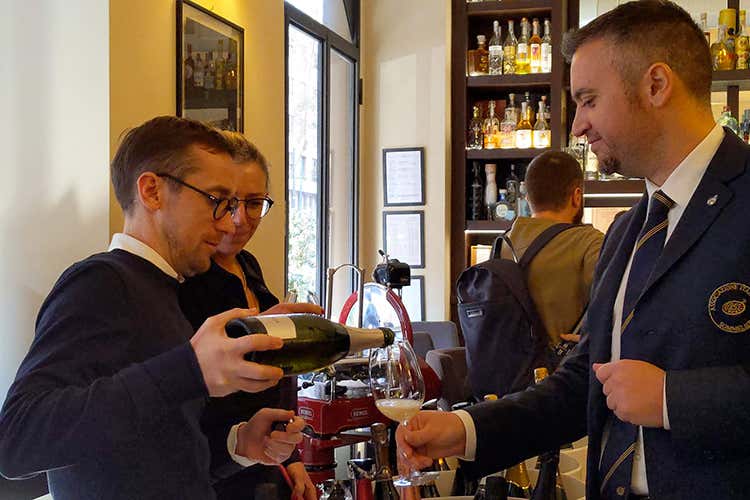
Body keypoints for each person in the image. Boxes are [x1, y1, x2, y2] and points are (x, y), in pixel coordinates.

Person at [397, 2, 750, 499]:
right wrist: (467, 429)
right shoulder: (628, 231)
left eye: (588, 99)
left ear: (656, 85)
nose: (578, 125)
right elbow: (584, 382)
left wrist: (675, 400)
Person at [0, 116, 306, 499]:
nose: (230, 223)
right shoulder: (101, 282)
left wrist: (240, 443)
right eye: (216, 200)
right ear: (152, 192)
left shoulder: (166, 290)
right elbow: (17, 439)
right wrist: (189, 369)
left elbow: (160, 458)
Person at [180, 132, 319, 500]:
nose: (239, 220)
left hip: (265, 468)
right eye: (227, 202)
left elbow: (276, 378)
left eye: (255, 203)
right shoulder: (186, 279)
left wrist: (290, 457)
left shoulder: (248, 264)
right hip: (214, 473)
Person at [502, 151, 603, 348]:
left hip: (507, 373)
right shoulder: (590, 242)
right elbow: (616, 308)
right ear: (576, 196)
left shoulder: (504, 244)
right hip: (564, 373)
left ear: (527, 197)